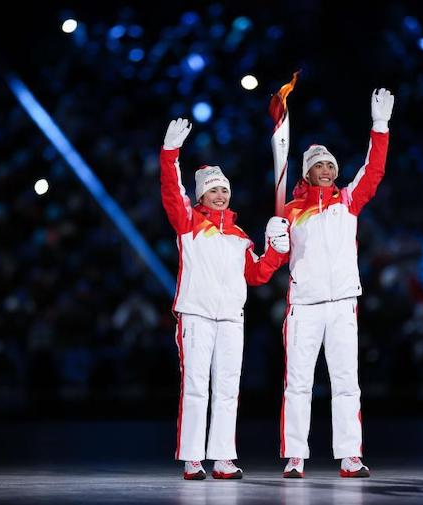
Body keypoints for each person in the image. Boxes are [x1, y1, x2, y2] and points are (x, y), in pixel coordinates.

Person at [263, 88, 395, 478]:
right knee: (298, 383)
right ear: (306, 171)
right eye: (319, 165)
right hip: (303, 304)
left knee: (346, 381)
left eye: (330, 165)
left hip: (342, 303)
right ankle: (295, 455)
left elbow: (374, 171)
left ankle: (350, 454)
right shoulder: (288, 211)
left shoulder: (348, 201)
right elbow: (273, 261)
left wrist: (380, 127)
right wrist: (276, 240)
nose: (326, 170)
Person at [160, 118, 289, 480]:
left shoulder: (240, 236)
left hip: (232, 319)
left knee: (229, 390)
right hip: (196, 316)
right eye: (213, 191)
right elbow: (171, 191)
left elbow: (257, 275)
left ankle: (222, 458)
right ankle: (192, 459)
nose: (220, 196)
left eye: (224, 190)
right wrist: (169, 154)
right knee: (197, 387)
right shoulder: (188, 223)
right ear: (201, 195)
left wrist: (277, 251)